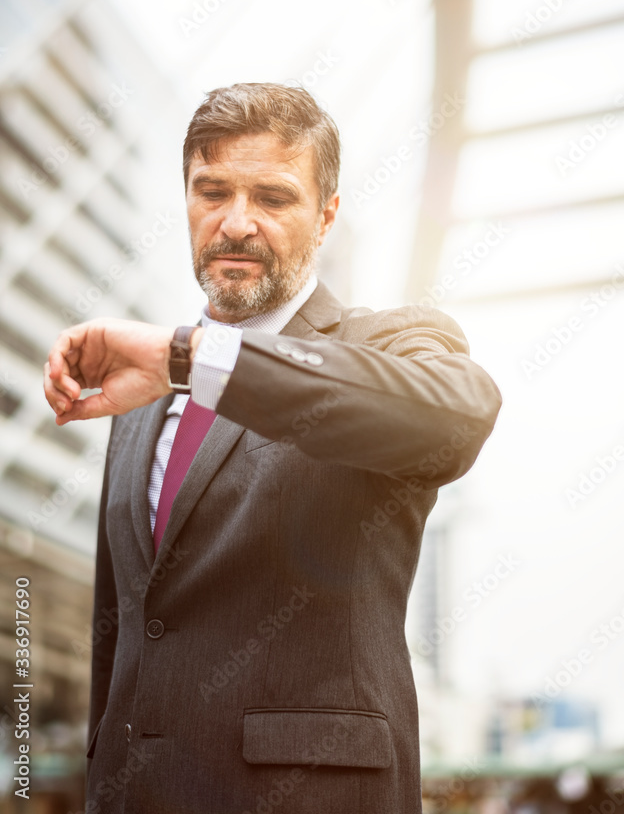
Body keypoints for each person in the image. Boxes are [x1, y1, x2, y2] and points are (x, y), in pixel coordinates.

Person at [44, 83, 501, 814]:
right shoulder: (139, 403)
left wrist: (193, 359)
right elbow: (124, 634)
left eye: (274, 198)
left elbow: (453, 416)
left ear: (325, 218)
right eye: (212, 191)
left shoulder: (385, 345)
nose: (236, 222)